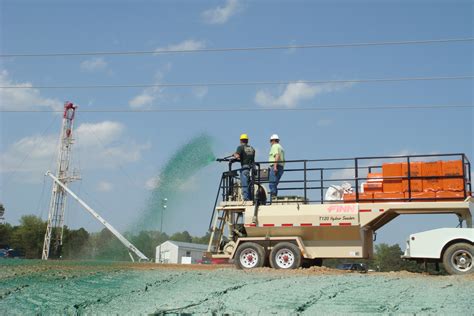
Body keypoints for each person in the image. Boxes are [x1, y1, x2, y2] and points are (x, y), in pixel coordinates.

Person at [233, 133, 256, 201]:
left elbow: (237, 156)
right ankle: (250, 198)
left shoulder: (240, 147)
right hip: (252, 168)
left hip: (245, 168)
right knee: (250, 183)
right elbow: (248, 158)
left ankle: (246, 198)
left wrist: (234, 154)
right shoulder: (252, 149)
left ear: (241, 140)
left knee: (244, 183)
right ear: (247, 141)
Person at [268, 134, 285, 201]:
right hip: (281, 167)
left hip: (276, 166)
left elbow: (277, 156)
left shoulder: (275, 146)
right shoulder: (281, 147)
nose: (270, 143)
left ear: (273, 140)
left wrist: (275, 166)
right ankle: (274, 199)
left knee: (272, 184)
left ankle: (273, 200)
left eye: (270, 141)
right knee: (274, 184)